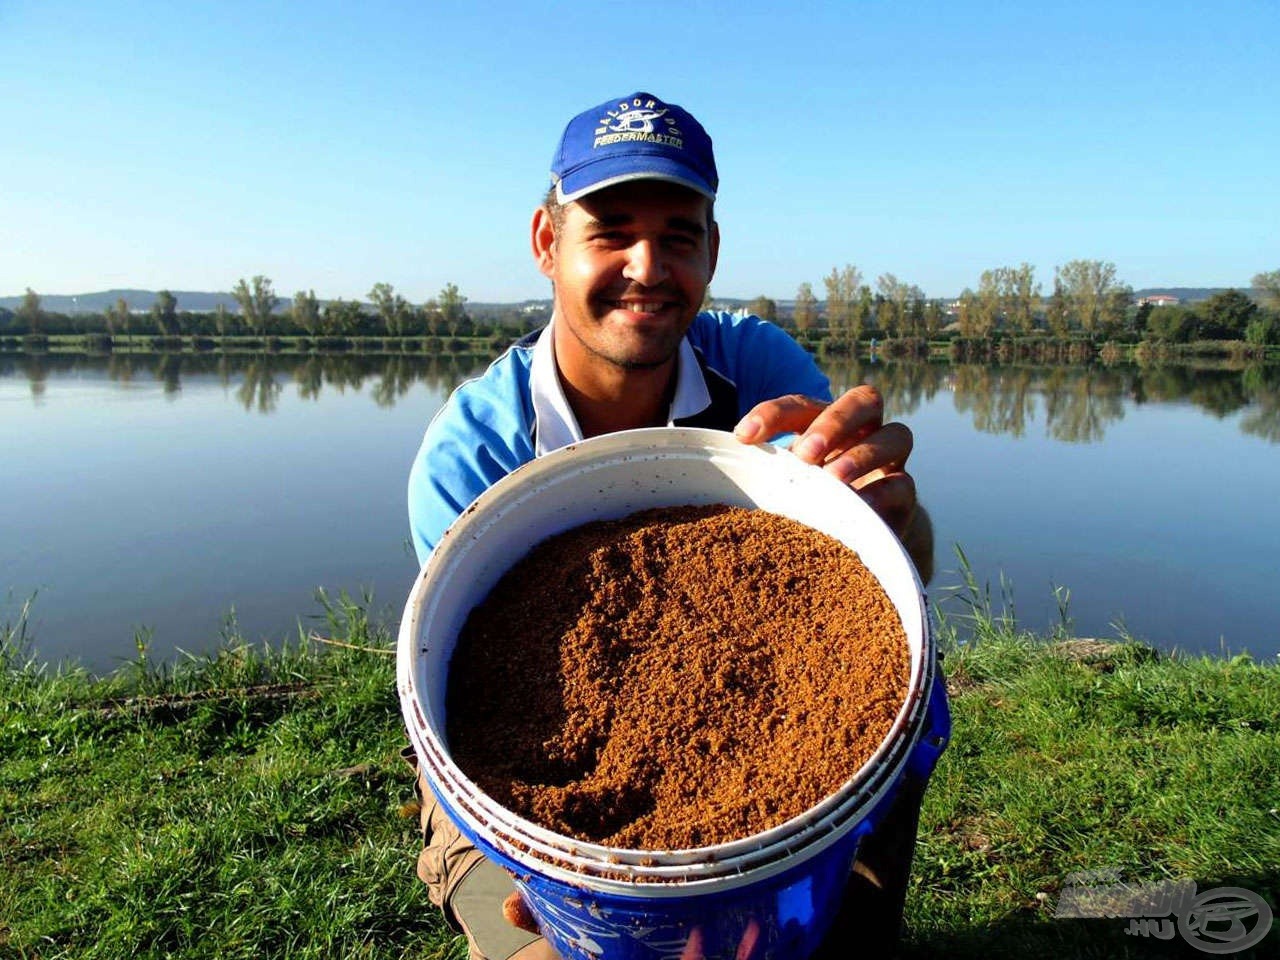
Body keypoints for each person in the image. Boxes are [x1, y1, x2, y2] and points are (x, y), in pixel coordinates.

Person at [405, 91, 944, 960]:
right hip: (520, 815)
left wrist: (893, 513)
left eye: (679, 235)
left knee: (829, 927)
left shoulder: (755, 368)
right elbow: (455, 690)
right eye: (610, 229)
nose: (648, 265)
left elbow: (899, 580)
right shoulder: (477, 451)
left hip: (796, 795)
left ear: (713, 251)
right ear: (547, 243)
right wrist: (550, 872)